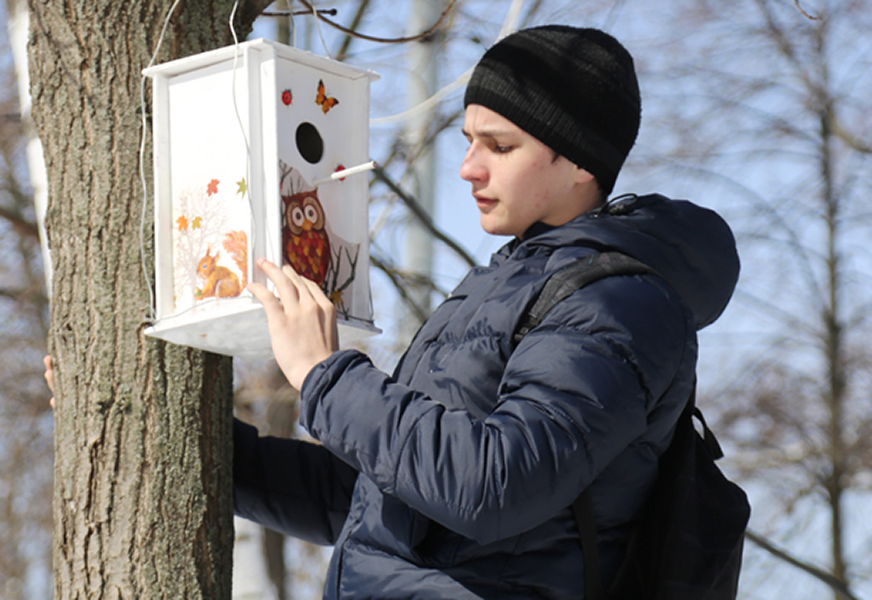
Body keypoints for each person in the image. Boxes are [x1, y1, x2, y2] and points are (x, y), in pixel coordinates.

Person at [47, 25, 739, 599]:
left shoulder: (619, 305)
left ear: (580, 164)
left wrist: (325, 374)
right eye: (468, 140)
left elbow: (496, 485)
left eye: (499, 146)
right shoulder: (498, 288)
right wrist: (181, 437)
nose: (469, 167)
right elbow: (373, 493)